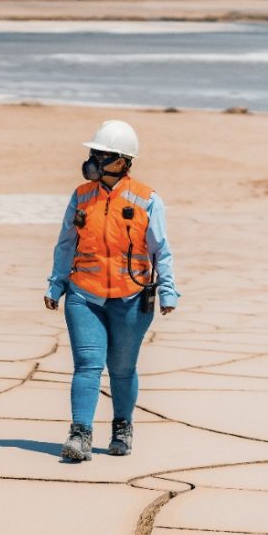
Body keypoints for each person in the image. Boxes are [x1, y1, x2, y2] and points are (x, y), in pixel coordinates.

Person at [44, 120, 179, 461]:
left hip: (131, 298)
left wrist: (168, 292)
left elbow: (161, 249)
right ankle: (80, 434)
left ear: (121, 161)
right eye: (93, 153)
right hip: (84, 295)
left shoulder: (148, 200)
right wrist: (56, 283)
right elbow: (65, 244)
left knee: (121, 368)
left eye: (101, 155)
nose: (93, 160)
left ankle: (122, 426)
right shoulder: (81, 196)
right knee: (87, 365)